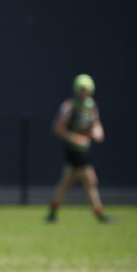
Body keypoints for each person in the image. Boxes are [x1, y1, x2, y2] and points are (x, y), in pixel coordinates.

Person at [46, 74, 111, 223]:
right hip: (73, 151)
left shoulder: (91, 106)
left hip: (84, 150)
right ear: (76, 89)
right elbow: (57, 128)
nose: (84, 93)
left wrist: (98, 130)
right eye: (81, 89)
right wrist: (75, 139)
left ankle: (52, 212)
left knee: (66, 182)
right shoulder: (69, 107)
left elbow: (96, 123)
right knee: (91, 180)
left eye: (86, 90)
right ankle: (99, 212)